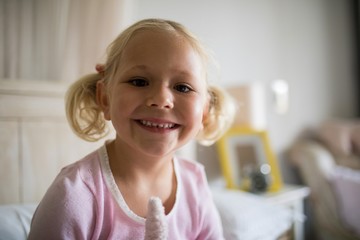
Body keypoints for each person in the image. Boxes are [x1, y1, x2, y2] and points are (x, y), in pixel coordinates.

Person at [28, 18, 236, 240]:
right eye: (139, 82)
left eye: (183, 87)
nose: (161, 99)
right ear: (105, 98)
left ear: (204, 109)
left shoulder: (195, 182)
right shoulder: (74, 194)